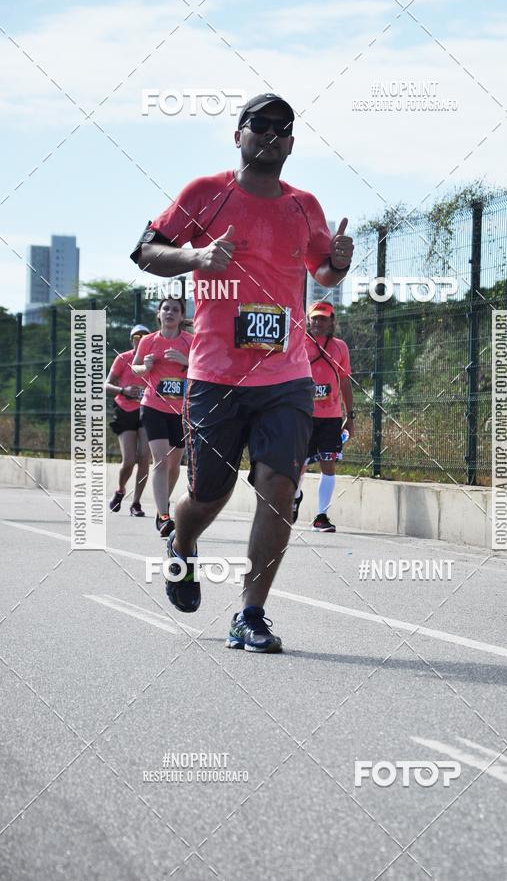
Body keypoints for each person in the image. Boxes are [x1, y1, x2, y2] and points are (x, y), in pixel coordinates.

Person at [130, 92, 353, 653]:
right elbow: (145, 251)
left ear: (292, 144)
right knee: (209, 494)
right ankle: (182, 543)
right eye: (259, 125)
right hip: (215, 375)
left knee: (279, 488)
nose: (270, 135)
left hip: (286, 373)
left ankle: (250, 613)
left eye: (282, 128)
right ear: (239, 135)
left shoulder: (304, 205)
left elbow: (321, 267)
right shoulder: (205, 194)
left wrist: (340, 262)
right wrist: (197, 259)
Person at [131, 297, 193, 537]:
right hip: (153, 406)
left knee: (175, 464)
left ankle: (161, 507)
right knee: (160, 460)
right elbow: (134, 367)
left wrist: (186, 362)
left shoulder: (190, 341)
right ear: (158, 314)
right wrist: (144, 368)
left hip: (180, 411)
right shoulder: (147, 341)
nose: (169, 313)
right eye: (165, 309)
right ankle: (164, 515)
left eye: (175, 310)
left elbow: (203, 369)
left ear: (180, 316)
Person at [293, 302, 354, 532]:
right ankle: (295, 496)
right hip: (304, 416)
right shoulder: (300, 344)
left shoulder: (340, 348)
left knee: (328, 464)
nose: (318, 322)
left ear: (332, 322)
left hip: (331, 416)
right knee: (300, 465)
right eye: (314, 318)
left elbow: (345, 380)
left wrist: (350, 416)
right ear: (308, 320)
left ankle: (321, 516)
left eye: (323, 318)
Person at [106, 324, 152, 516]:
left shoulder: (153, 360)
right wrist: (124, 391)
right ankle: (120, 490)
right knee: (129, 460)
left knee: (144, 458)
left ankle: (136, 503)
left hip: (148, 409)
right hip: (125, 410)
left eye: (144, 336)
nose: (140, 339)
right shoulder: (123, 358)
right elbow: (106, 385)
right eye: (136, 336)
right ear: (131, 339)